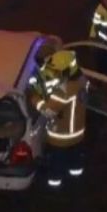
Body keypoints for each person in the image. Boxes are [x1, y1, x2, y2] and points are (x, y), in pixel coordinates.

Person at [30, 50, 88, 189]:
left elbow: (49, 111)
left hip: (61, 137)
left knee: (56, 165)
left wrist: (34, 98)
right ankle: (76, 182)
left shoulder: (63, 91)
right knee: (75, 161)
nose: (54, 73)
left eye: (57, 71)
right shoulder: (82, 80)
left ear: (66, 71)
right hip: (78, 133)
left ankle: (54, 186)